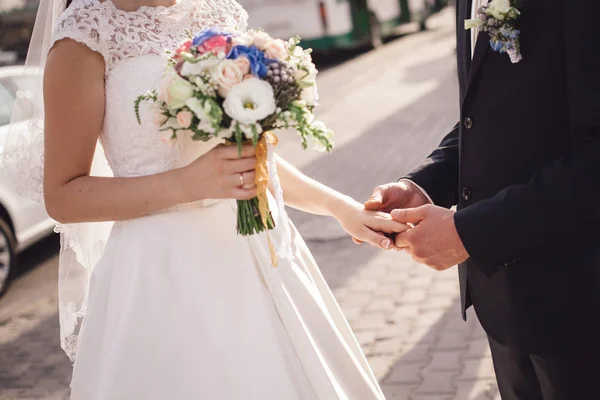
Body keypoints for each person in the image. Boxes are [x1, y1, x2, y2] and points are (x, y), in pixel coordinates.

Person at [2, 0, 408, 398]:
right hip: (162, 276)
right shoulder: (84, 36)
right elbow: (64, 195)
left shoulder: (218, 11)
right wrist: (188, 184)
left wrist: (340, 208)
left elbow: (248, 158)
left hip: (262, 254)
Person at [364, 0, 600, 398]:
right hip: (504, 305)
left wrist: (470, 232)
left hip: (578, 304)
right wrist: (423, 184)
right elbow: (486, 114)